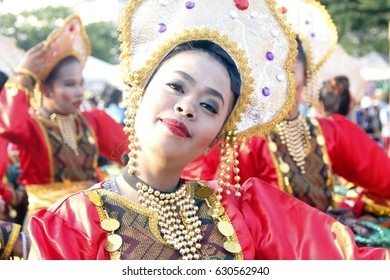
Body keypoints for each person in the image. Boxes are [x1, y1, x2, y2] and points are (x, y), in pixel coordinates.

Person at [27, 0, 389, 260]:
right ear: (138, 93)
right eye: (176, 87)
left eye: (210, 105)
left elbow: (344, 259)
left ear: (218, 136)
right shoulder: (70, 227)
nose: (187, 107)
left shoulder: (243, 211)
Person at [183, 0, 390, 249]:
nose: (279, 77)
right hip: (271, 250)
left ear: (306, 75)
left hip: (326, 244)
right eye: (268, 65)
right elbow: (216, 206)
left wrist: (359, 212)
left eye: (288, 67)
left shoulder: (331, 132)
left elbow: (383, 177)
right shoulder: (243, 141)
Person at [0, 14, 129, 259]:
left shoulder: (93, 121)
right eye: (70, 85)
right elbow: (8, 126)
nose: (80, 92)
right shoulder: (32, 127)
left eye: (81, 83)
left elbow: (133, 154)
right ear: (46, 88)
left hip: (93, 220)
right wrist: (24, 75)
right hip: (46, 221)